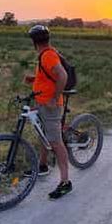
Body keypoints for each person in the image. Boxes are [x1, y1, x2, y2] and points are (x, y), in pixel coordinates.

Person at [23, 25, 73, 199]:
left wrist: (54, 98)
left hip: (50, 106)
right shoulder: (45, 55)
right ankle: (42, 166)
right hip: (42, 103)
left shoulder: (48, 55)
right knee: (42, 135)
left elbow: (63, 76)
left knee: (55, 142)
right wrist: (35, 79)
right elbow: (49, 76)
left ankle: (65, 182)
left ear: (34, 42)